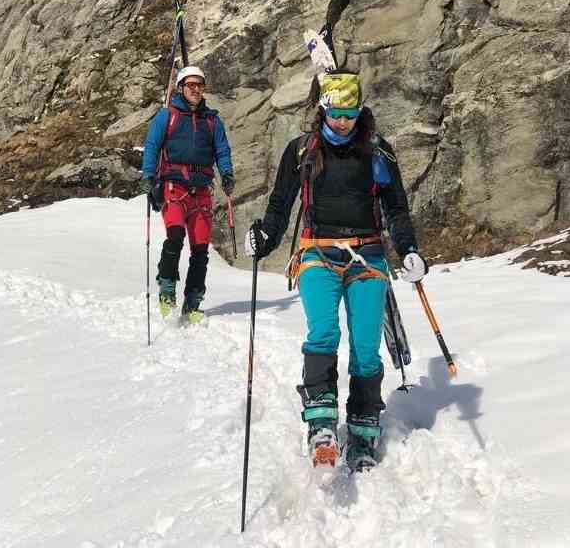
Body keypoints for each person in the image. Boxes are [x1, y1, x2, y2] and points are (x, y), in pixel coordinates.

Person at [244, 71, 428, 471]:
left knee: (365, 346)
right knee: (324, 332)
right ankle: (322, 424)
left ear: (360, 111)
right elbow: (280, 204)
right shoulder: (301, 150)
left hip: (368, 256)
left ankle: (362, 431)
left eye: (350, 114)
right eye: (335, 114)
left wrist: (409, 249)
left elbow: (396, 208)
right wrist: (265, 237)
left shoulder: (378, 152)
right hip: (317, 252)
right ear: (322, 110)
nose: (343, 122)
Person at [141, 66, 235, 323]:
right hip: (174, 186)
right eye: (191, 85)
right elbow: (152, 146)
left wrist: (227, 173)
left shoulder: (212, 120)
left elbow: (222, 150)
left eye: (199, 85)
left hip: (201, 190)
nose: (195, 89)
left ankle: (193, 302)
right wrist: (148, 176)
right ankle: (167, 290)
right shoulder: (167, 115)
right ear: (181, 87)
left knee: (201, 249)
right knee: (175, 237)